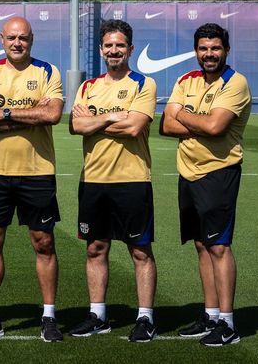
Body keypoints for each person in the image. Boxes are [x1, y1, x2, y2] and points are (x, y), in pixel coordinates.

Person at [0, 16, 65, 343]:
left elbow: (52, 115)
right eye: (11, 38)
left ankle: (49, 316)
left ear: (31, 39)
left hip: (38, 171)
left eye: (23, 37)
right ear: (2, 39)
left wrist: (4, 113)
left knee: (43, 242)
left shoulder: (47, 72)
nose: (17, 43)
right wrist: (31, 116)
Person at [159, 23, 251, 347]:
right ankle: (211, 315)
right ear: (196, 51)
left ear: (226, 50)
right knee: (201, 245)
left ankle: (228, 323)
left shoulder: (235, 83)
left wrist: (183, 114)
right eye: (203, 48)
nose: (208, 54)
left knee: (219, 247)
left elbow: (215, 127)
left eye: (215, 48)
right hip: (187, 173)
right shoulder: (186, 80)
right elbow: (165, 125)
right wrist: (193, 120)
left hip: (218, 173)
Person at [68, 19, 159, 343]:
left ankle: (145, 318)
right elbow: (75, 126)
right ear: (101, 49)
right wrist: (110, 116)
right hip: (93, 180)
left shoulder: (143, 84)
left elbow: (134, 127)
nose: (114, 50)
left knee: (140, 251)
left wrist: (93, 121)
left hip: (132, 180)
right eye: (109, 45)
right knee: (95, 248)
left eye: (120, 45)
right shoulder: (87, 87)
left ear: (130, 49)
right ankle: (98, 316)